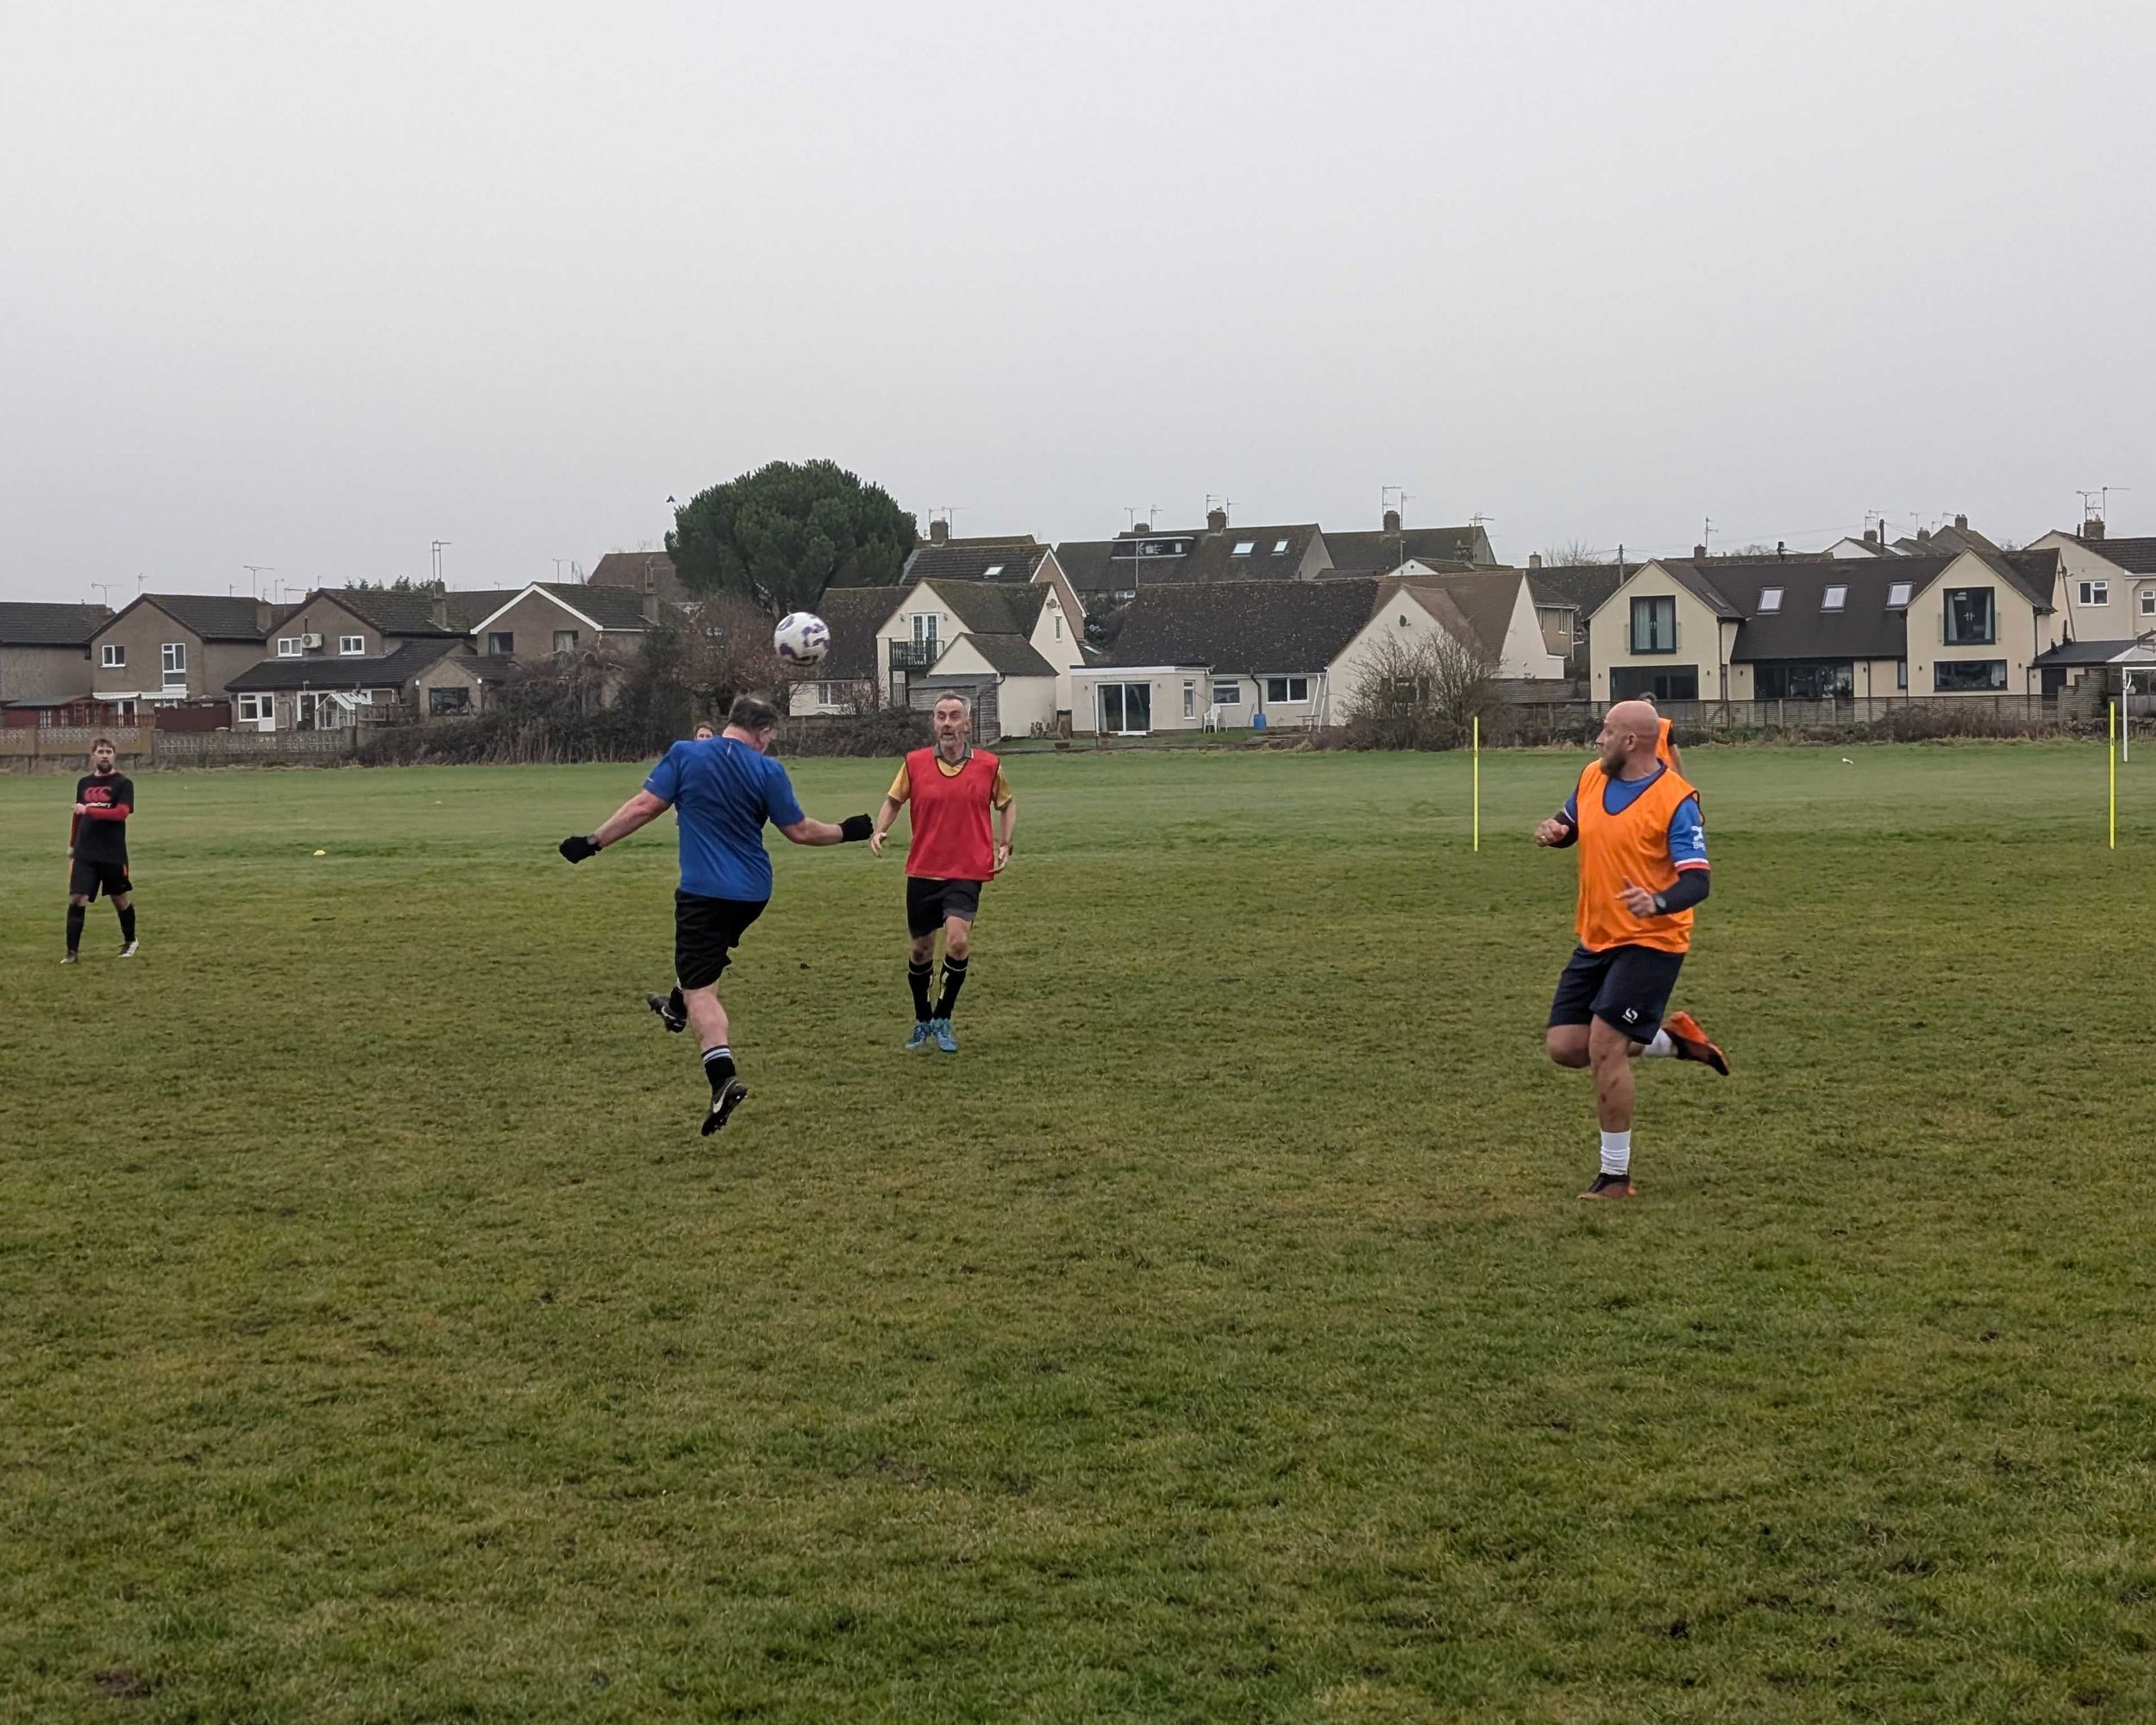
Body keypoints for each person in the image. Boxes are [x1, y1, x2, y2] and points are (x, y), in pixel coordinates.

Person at [558, 693, 872, 1135]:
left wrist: (592, 842)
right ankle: (674, 1005)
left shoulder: (686, 755)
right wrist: (850, 830)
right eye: (770, 738)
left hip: (704, 894)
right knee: (703, 962)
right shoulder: (768, 770)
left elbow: (644, 807)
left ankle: (721, 1076)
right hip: (752, 894)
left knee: (702, 988)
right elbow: (801, 831)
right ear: (761, 732)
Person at [1535, 699, 1728, 1199]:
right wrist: (1556, 833)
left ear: (1630, 742)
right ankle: (1674, 1041)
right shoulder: (1591, 777)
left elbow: (1698, 882)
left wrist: (1657, 901)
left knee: (1604, 1046)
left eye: (1606, 731)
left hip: (1653, 940)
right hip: (1596, 935)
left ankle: (1616, 1177)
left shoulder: (1676, 800)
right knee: (1565, 1048)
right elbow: (1572, 821)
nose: (1597, 739)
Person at [868, 693, 1015, 1053]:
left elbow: (1007, 805)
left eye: (954, 716)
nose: (947, 723)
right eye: (940, 717)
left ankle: (944, 1018)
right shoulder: (914, 763)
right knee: (921, 950)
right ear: (933, 723)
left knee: (958, 941)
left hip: (966, 869)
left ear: (967, 722)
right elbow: (893, 800)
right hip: (924, 870)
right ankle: (923, 1019)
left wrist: (1005, 843)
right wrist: (880, 829)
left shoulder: (989, 765)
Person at [66, 737, 138, 963]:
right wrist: (72, 844)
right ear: (93, 756)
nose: (104, 755)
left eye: (109, 751)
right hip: (85, 851)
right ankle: (72, 953)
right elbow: (78, 815)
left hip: (112, 852)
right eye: (100, 751)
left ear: (114, 755)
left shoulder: (123, 784)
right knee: (78, 897)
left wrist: (89, 810)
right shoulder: (84, 783)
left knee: (119, 898)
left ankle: (130, 940)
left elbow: (120, 814)